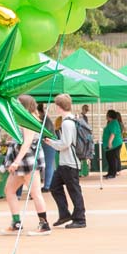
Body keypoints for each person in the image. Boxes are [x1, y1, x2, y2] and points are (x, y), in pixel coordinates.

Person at [0, 94, 51, 236]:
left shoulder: (28, 120)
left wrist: (16, 161)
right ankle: (16, 223)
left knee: (35, 193)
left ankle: (44, 224)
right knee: (9, 190)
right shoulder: (24, 119)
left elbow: (27, 142)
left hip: (28, 161)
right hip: (23, 161)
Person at [46, 93, 86, 228]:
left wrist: (51, 142)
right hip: (66, 163)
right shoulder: (71, 120)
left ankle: (80, 219)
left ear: (59, 106)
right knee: (55, 187)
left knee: (74, 191)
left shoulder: (67, 123)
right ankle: (65, 214)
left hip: (69, 163)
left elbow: (65, 144)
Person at [38, 101, 58, 191]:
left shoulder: (44, 119)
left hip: (49, 143)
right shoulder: (44, 118)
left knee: (48, 165)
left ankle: (48, 186)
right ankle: (48, 184)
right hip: (47, 143)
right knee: (48, 164)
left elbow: (45, 133)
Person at [103, 109, 124, 179]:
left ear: (110, 115)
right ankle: (110, 172)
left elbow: (113, 133)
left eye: (107, 114)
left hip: (114, 144)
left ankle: (113, 174)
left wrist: (109, 142)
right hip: (112, 144)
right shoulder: (111, 122)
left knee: (112, 159)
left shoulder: (114, 122)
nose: (106, 116)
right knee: (109, 158)